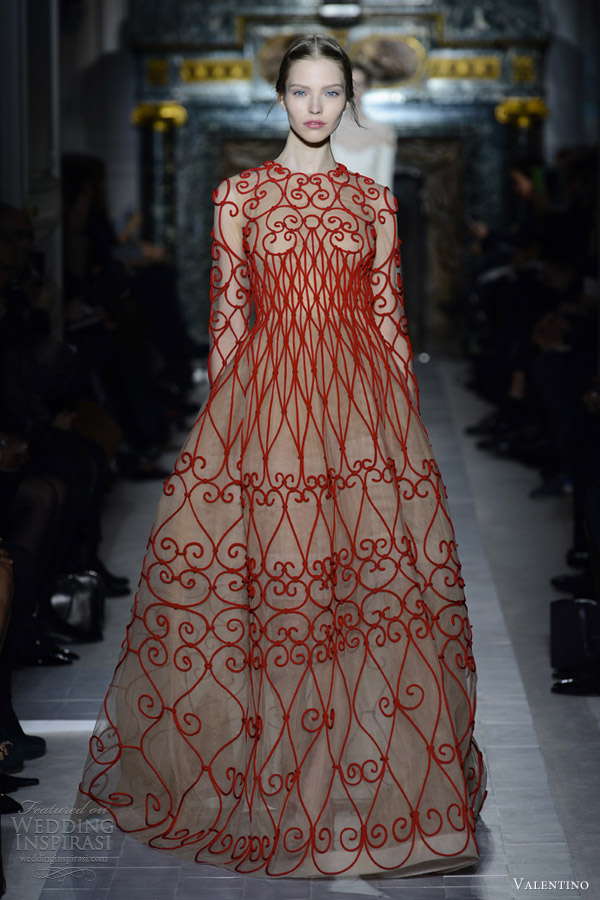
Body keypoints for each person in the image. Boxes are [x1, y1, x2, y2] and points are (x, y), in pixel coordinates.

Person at [79, 34, 486, 878]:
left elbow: (388, 321)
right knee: (283, 593)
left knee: (362, 593)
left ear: (348, 101)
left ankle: (354, 780)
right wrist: (223, 441)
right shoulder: (238, 198)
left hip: (360, 411)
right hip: (270, 408)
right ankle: (282, 789)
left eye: (329, 93)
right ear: (279, 97)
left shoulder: (375, 204)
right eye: (300, 91)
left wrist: (402, 439)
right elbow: (229, 326)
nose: (313, 107)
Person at [331, 62, 397, 189]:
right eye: (350, 85)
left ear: (367, 87)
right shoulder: (329, 129)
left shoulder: (382, 131)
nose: (355, 90)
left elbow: (385, 183)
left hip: (369, 205)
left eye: (359, 84)